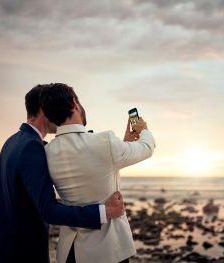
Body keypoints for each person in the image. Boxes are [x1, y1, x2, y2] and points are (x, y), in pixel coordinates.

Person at [0, 85, 125, 263]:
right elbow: (49, 210)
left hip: (4, 247)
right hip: (23, 252)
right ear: (44, 110)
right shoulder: (32, 148)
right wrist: (103, 212)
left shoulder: (12, 141)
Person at [41, 83, 156, 263]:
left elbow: (105, 166)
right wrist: (143, 130)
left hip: (70, 251)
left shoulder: (47, 152)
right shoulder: (105, 141)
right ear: (75, 103)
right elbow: (147, 148)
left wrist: (126, 141)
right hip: (108, 251)